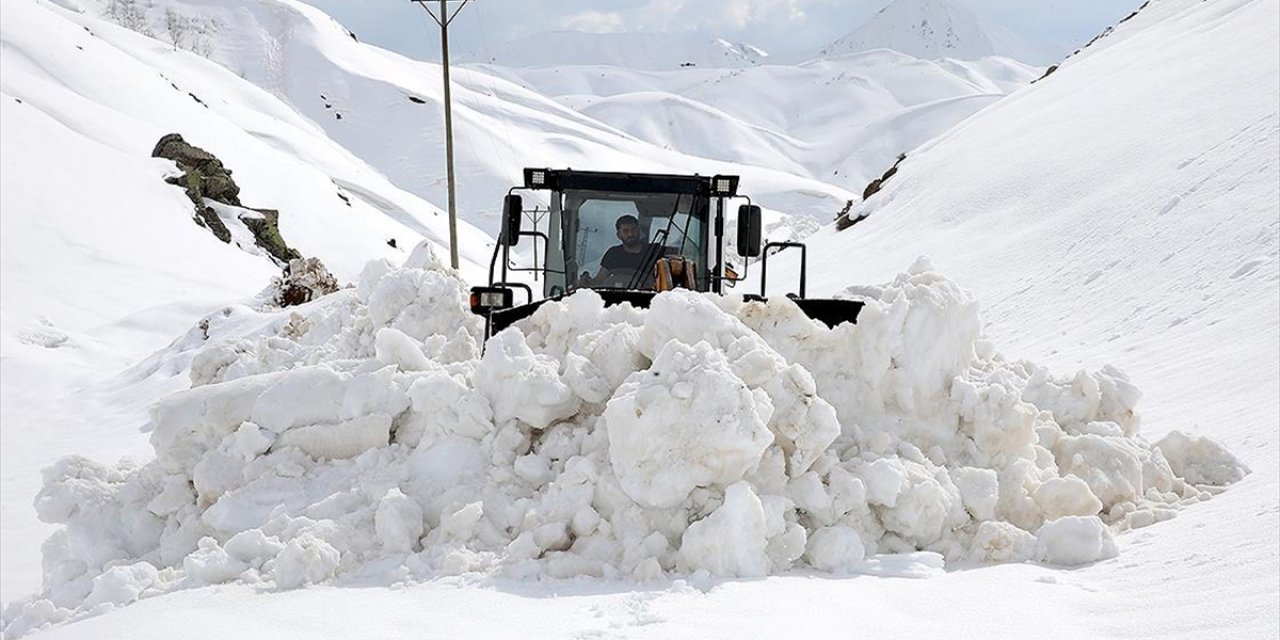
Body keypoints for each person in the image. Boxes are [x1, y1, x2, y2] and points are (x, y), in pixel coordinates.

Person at [580, 215, 664, 287]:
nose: (630, 234)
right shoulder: (613, 254)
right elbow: (599, 280)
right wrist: (587, 283)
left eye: (633, 229)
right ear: (619, 235)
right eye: (625, 231)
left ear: (639, 230)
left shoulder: (655, 251)